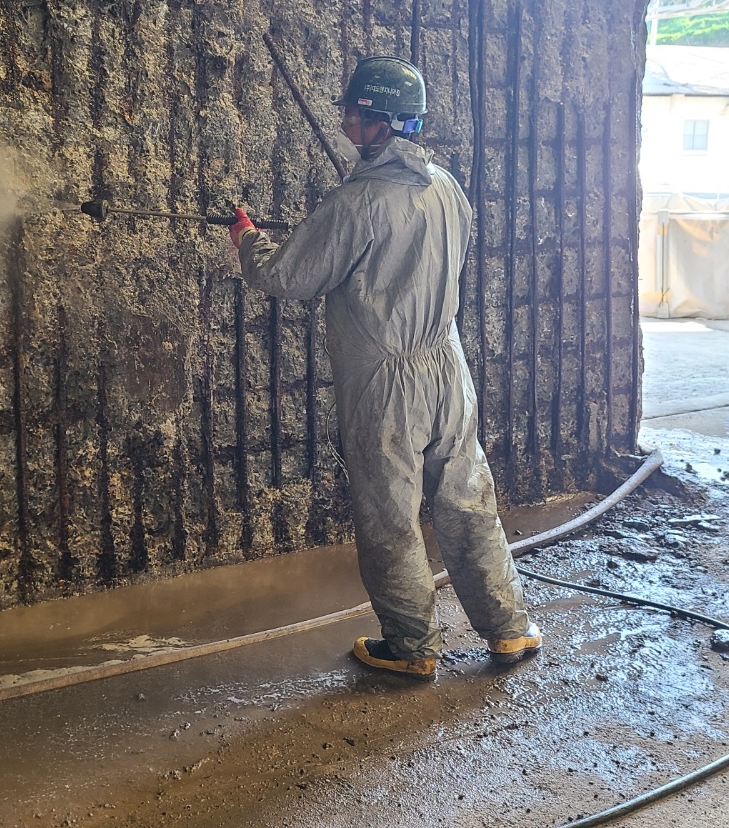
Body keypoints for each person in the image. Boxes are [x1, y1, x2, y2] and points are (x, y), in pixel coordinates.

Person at [229, 55, 539, 680]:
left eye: (353, 111)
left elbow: (285, 276)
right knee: (467, 497)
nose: (344, 119)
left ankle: (412, 646)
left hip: (385, 379)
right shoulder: (446, 187)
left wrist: (247, 239)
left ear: (376, 123)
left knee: (389, 510)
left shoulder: (356, 202)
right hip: (447, 366)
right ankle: (508, 630)